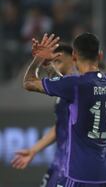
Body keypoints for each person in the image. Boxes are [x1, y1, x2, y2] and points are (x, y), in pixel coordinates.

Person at [22, 33, 106, 186]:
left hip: (81, 172)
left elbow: (29, 82)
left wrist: (39, 58)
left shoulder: (75, 84)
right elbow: (66, 88)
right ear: (100, 55)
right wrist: (51, 67)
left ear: (74, 55)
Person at [12, 44, 74, 187]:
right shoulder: (66, 89)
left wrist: (39, 61)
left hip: (72, 166)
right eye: (54, 62)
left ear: (73, 59)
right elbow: (61, 126)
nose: (55, 66)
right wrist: (34, 150)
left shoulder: (79, 87)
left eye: (59, 61)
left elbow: (29, 82)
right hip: (59, 162)